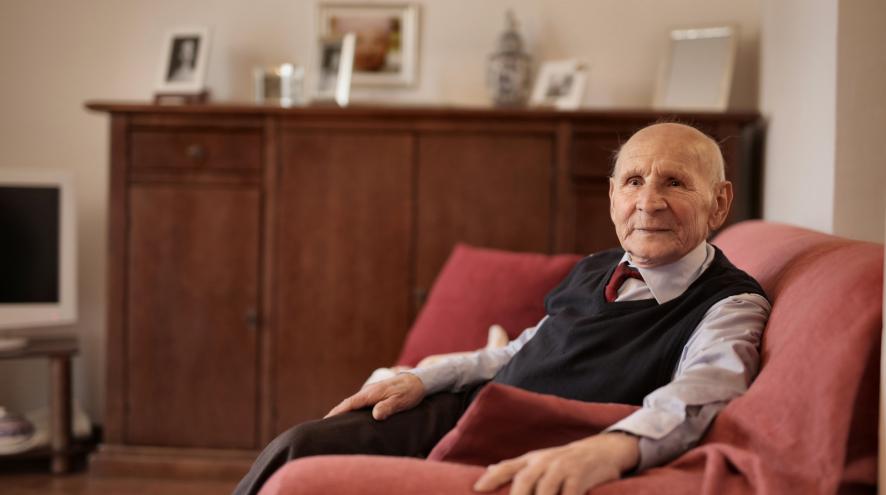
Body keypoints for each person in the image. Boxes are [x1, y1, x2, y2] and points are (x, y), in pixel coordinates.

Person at [233, 123, 770, 495]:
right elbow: (525, 346)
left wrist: (612, 449)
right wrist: (427, 377)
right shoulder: (598, 266)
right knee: (302, 444)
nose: (648, 202)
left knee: (309, 473)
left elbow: (702, 392)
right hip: (471, 405)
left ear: (718, 201)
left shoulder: (728, 302)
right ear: (612, 196)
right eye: (634, 181)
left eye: (674, 182)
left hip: (524, 437)